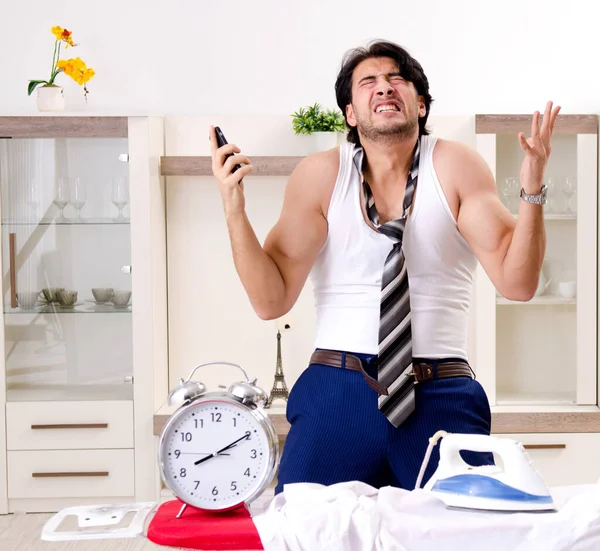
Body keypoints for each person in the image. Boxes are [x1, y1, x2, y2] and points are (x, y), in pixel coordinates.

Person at [209, 40, 560, 495]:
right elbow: (270, 300)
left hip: (440, 393)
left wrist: (532, 192)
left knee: (462, 533)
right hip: (338, 392)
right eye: (368, 82)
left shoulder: (455, 166)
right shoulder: (321, 175)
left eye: (397, 78)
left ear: (420, 102)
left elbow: (518, 284)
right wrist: (233, 207)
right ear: (351, 114)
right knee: (305, 529)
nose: (383, 87)